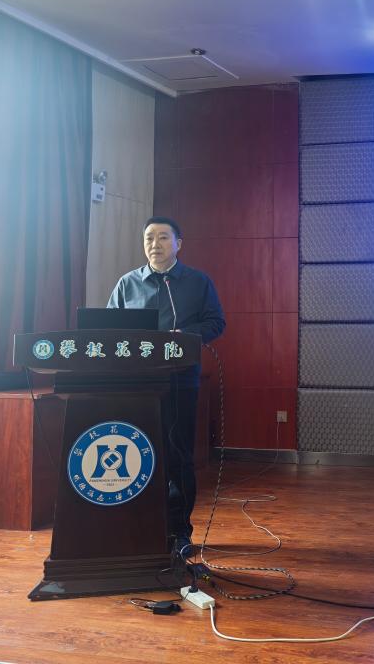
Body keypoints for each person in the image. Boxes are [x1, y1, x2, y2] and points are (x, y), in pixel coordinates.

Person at [107, 216, 225, 558]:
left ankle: (179, 530)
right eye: (148, 238)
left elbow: (216, 322)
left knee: (177, 456)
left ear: (178, 244)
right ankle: (140, 527)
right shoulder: (127, 283)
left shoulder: (197, 282)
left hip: (179, 379)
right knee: (138, 452)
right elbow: (109, 328)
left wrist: (186, 337)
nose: (154, 244)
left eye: (162, 237)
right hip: (135, 383)